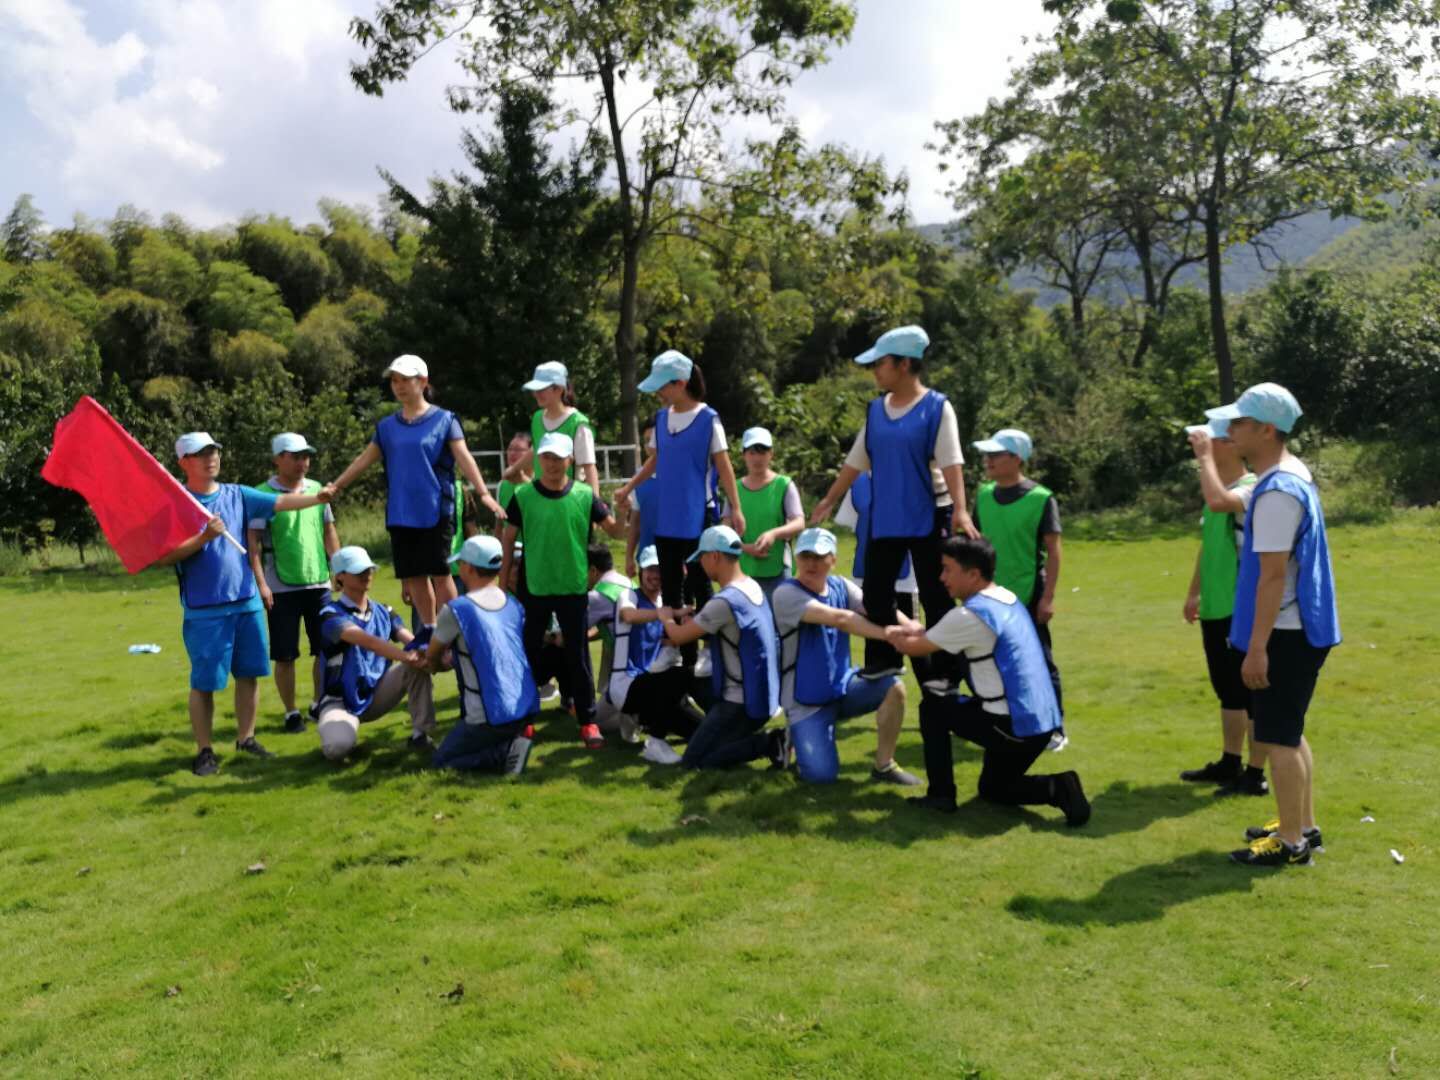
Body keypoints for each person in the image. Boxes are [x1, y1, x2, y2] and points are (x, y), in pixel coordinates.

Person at [1204, 384, 1340, 867]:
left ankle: (1290, 843)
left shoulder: (1277, 492)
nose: (1228, 430)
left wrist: (1257, 647)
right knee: (1289, 732)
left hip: (1285, 633)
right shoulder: (1288, 473)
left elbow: (1273, 577)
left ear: (1266, 430)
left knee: (1278, 739)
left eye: (1239, 422)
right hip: (1297, 628)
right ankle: (1302, 825)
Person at [154, 432, 335, 776]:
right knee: (204, 683)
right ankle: (204, 751)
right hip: (205, 609)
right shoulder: (177, 504)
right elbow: (164, 557)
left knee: (249, 674)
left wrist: (317, 498)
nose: (211, 458)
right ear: (183, 462)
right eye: (201, 454)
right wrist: (204, 538)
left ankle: (246, 739)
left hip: (246, 603)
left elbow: (280, 503)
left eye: (214, 451)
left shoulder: (238, 494)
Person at [810, 325, 977, 689]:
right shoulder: (876, 411)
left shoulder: (937, 407)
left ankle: (945, 673)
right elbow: (856, 461)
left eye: (880, 363)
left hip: (930, 514)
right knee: (875, 594)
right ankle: (885, 659)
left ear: (904, 364)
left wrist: (962, 510)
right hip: (886, 515)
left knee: (936, 595)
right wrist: (828, 499)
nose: (875, 371)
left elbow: (952, 463)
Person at [886, 536, 1090, 826]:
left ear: (973, 574)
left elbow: (914, 647)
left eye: (948, 569)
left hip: (1013, 725)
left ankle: (941, 796)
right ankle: (1060, 787)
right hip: (1042, 722)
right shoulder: (1007, 598)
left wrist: (888, 624)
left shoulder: (968, 616)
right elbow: (932, 637)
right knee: (994, 788)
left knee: (933, 709)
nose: (942, 578)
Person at [330, 354, 503, 628]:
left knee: (441, 573)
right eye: (394, 380)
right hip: (400, 513)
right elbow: (364, 460)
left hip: (435, 510)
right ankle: (430, 632)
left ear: (423, 382)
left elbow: (464, 457)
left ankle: (452, 631)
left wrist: (483, 494)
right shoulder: (386, 427)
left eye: (405, 380)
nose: (399, 386)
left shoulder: (445, 420)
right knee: (414, 577)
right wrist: (336, 485)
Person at [613, 350, 746, 670]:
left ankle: (708, 649)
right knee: (672, 585)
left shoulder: (708, 419)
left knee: (700, 582)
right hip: (668, 517)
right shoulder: (661, 419)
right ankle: (676, 647)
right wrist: (629, 488)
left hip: (699, 515)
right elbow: (654, 461)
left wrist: (736, 508)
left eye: (662, 386)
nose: (658, 393)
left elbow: (723, 466)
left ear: (681, 383)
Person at [499, 432, 625, 748]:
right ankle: (525, 719)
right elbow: (507, 538)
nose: (552, 464)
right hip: (534, 587)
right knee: (528, 655)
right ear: (538, 459)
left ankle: (588, 721)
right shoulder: (524, 496)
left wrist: (626, 509)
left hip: (572, 588)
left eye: (558, 458)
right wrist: (502, 584)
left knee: (578, 655)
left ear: (570, 460)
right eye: (546, 457)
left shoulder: (585, 495)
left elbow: (615, 530)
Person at [772, 528, 918, 785]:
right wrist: (888, 634)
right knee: (821, 777)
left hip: (843, 689)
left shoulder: (840, 586)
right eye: (805, 556)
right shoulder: (786, 594)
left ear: (833, 559)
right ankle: (788, 736)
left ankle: (884, 766)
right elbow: (841, 619)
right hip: (805, 703)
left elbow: (877, 608)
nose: (811, 563)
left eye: (819, 557)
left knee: (894, 688)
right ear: (796, 559)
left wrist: (914, 630)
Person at [1181, 416, 1267, 796]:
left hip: (1241, 607)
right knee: (1227, 691)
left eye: (1208, 440)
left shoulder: (1249, 490)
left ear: (1229, 445)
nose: (1200, 447)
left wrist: (1204, 462)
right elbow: (1209, 545)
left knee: (1250, 694)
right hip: (1216, 606)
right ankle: (1230, 762)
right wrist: (1194, 592)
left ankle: (1255, 773)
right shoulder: (1216, 489)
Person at [662, 526, 786, 770]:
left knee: (694, 762)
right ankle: (759, 741)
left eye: (701, 558)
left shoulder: (723, 602)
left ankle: (770, 743)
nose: (700, 565)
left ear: (715, 556)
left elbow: (677, 637)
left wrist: (665, 616)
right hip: (764, 696)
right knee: (714, 747)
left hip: (737, 703)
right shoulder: (752, 586)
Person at [246, 432, 341, 734]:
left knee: (324, 650)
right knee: (285, 654)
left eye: (306, 456)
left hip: (318, 582)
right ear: (278, 459)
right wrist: (261, 584)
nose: (303, 462)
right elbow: (252, 543)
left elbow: (328, 531)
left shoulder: (317, 490)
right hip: (280, 586)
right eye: (296, 456)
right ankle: (291, 712)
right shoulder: (262, 495)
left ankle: (318, 703)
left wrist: (339, 568)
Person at [427, 536, 538, 775]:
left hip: (488, 716)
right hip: (524, 707)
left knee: (441, 762)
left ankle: (504, 754)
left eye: (461, 564)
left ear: (468, 568)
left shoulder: (457, 609)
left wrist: (434, 665)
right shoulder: (513, 604)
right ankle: (513, 739)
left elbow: (433, 654)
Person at [970, 428, 1064, 712]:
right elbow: (976, 544)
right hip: (989, 595)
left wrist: (1047, 598)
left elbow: (1054, 551)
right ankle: (1003, 719)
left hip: (1028, 592)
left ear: (1017, 458)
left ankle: (1054, 724)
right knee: (989, 660)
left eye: (995, 454)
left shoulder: (1041, 498)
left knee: (1040, 660)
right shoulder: (984, 495)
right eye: (987, 455)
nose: (988, 460)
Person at [315, 546, 436, 759]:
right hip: (339, 702)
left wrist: (431, 654)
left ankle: (420, 736)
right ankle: (337, 728)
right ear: (340, 576)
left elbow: (410, 640)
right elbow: (369, 642)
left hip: (378, 692)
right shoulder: (329, 615)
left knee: (414, 666)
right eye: (358, 570)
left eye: (369, 569)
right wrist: (406, 656)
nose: (367, 574)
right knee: (337, 748)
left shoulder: (384, 610)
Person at [608, 545, 706, 763]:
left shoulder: (663, 602)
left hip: (653, 685)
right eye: (650, 569)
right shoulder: (629, 595)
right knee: (684, 674)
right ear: (641, 571)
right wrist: (664, 615)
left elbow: (665, 640)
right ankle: (655, 741)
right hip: (626, 685)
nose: (656, 575)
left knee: (703, 732)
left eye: (661, 570)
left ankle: (642, 718)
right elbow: (629, 616)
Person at [727, 426, 804, 602]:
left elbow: (799, 522)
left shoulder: (784, 485)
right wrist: (746, 548)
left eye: (762, 452)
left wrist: (773, 534)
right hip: (742, 574)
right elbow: (726, 531)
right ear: (743, 455)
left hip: (778, 570)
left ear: (771, 454)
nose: (757, 458)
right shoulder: (735, 488)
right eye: (752, 452)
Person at [834, 469, 920, 620]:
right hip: (866, 575)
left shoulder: (913, 480)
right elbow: (856, 524)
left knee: (905, 629)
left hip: (903, 579)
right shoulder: (858, 482)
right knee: (871, 630)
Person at [505, 362, 602, 492]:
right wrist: (514, 469)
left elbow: (589, 467)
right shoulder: (537, 418)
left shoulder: (577, 424)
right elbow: (535, 450)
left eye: (541, 389)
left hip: (570, 499)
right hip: (542, 498)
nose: (536, 394)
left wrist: (595, 502)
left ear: (559, 389)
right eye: (535, 390)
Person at [624, 417, 660, 579]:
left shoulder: (680, 475)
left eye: (654, 439)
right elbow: (635, 522)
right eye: (646, 440)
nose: (650, 445)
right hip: (647, 561)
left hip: (677, 559)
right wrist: (629, 557)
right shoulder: (638, 479)